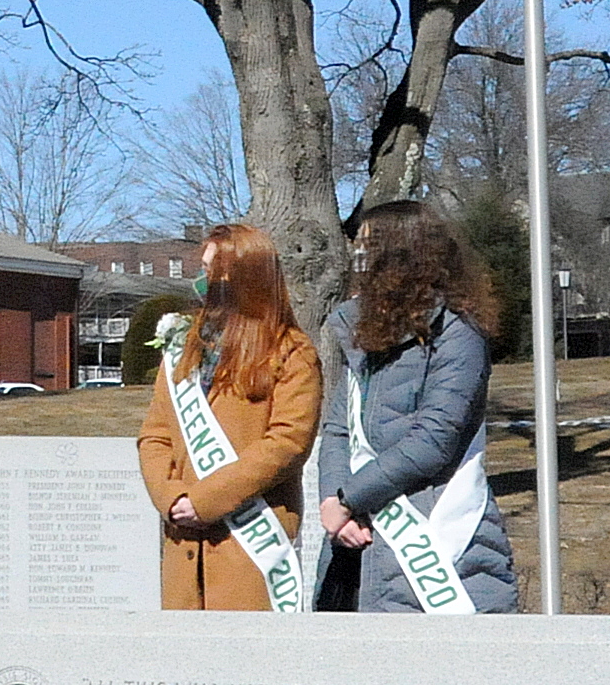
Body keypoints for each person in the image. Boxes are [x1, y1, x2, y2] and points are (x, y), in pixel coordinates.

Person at [313, 201, 517, 613]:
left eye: (368, 250)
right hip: (354, 544)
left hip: (435, 532)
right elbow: (338, 430)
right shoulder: (363, 335)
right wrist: (333, 504)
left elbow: (434, 440)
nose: (359, 260)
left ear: (403, 256)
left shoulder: (458, 335)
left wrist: (351, 498)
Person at [135, 223, 320, 610]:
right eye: (202, 269)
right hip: (184, 545)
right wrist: (170, 498)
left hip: (250, 540)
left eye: (212, 271)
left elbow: (288, 442)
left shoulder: (290, 351)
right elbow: (155, 434)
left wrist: (206, 500)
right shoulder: (184, 346)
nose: (202, 282)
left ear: (245, 277)